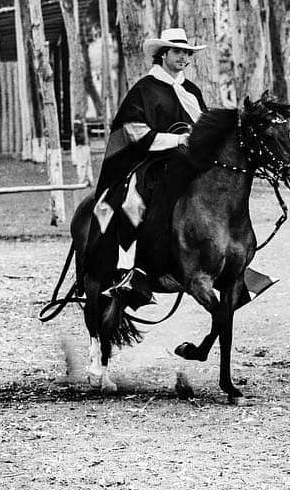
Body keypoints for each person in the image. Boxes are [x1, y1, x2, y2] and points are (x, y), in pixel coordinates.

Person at [88, 27, 208, 304]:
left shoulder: (191, 90)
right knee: (134, 201)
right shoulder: (144, 89)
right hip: (150, 161)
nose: (183, 57)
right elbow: (132, 130)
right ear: (163, 54)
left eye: (187, 52)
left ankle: (225, 261)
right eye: (177, 51)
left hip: (187, 162)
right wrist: (176, 139)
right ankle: (127, 269)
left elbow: (205, 127)